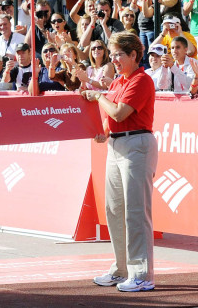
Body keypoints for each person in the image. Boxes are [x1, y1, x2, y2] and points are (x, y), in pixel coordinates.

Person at [82, 32, 157, 293]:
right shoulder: (116, 83)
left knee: (136, 211)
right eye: (112, 54)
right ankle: (121, 269)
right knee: (113, 209)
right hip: (116, 144)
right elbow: (110, 120)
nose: (113, 59)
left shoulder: (142, 80)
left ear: (134, 55)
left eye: (118, 54)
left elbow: (120, 111)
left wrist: (97, 95)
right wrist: (101, 133)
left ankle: (142, 274)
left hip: (137, 145)